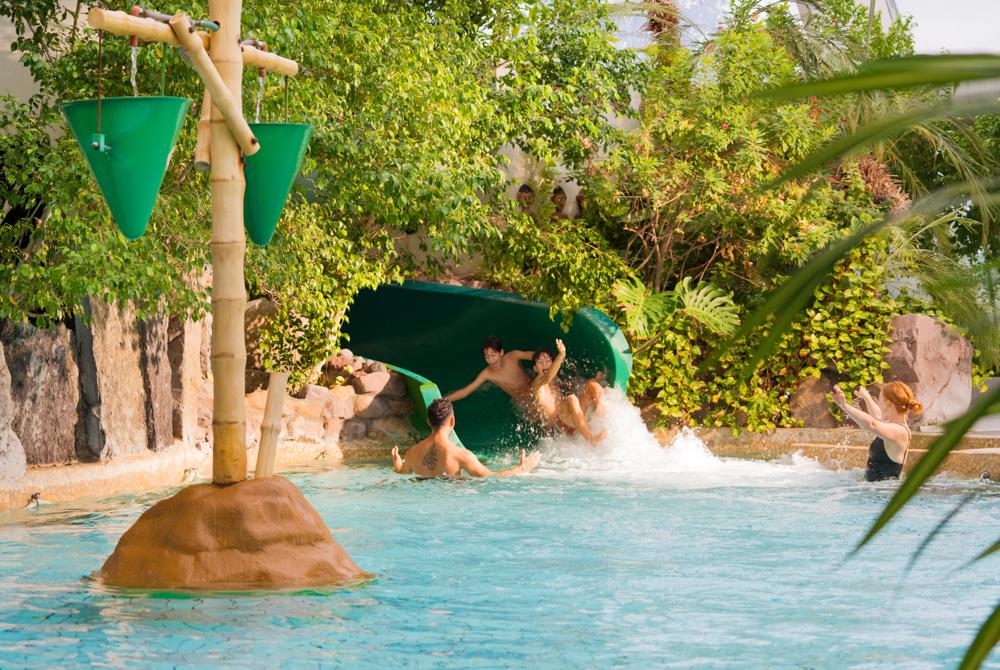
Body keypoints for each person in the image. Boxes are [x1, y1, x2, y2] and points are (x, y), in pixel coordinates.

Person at [391, 398, 540, 478]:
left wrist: (398, 464)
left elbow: (404, 471)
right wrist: (521, 468)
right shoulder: (460, 455)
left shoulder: (411, 453)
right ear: (452, 421)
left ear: (429, 422)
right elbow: (491, 477)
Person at [832, 381, 924, 482]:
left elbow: (872, 424)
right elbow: (877, 417)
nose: (878, 403)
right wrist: (867, 398)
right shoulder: (894, 427)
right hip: (878, 491)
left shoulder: (899, 431)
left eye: (879, 399)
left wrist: (845, 406)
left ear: (888, 403)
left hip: (883, 495)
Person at [531, 339, 605, 444]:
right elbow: (548, 377)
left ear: (552, 363)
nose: (545, 364)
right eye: (540, 362)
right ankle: (591, 440)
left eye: (548, 361)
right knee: (571, 399)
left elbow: (570, 383)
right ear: (534, 368)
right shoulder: (538, 383)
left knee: (591, 384)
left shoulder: (556, 380)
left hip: (572, 421)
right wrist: (561, 355)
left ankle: (603, 415)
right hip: (559, 429)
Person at [444, 336, 535, 404]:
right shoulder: (487, 374)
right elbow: (465, 391)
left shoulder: (513, 356)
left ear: (501, 352)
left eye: (493, 355)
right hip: (522, 401)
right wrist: (445, 400)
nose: (491, 360)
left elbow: (535, 356)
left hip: (535, 387)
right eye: (487, 357)